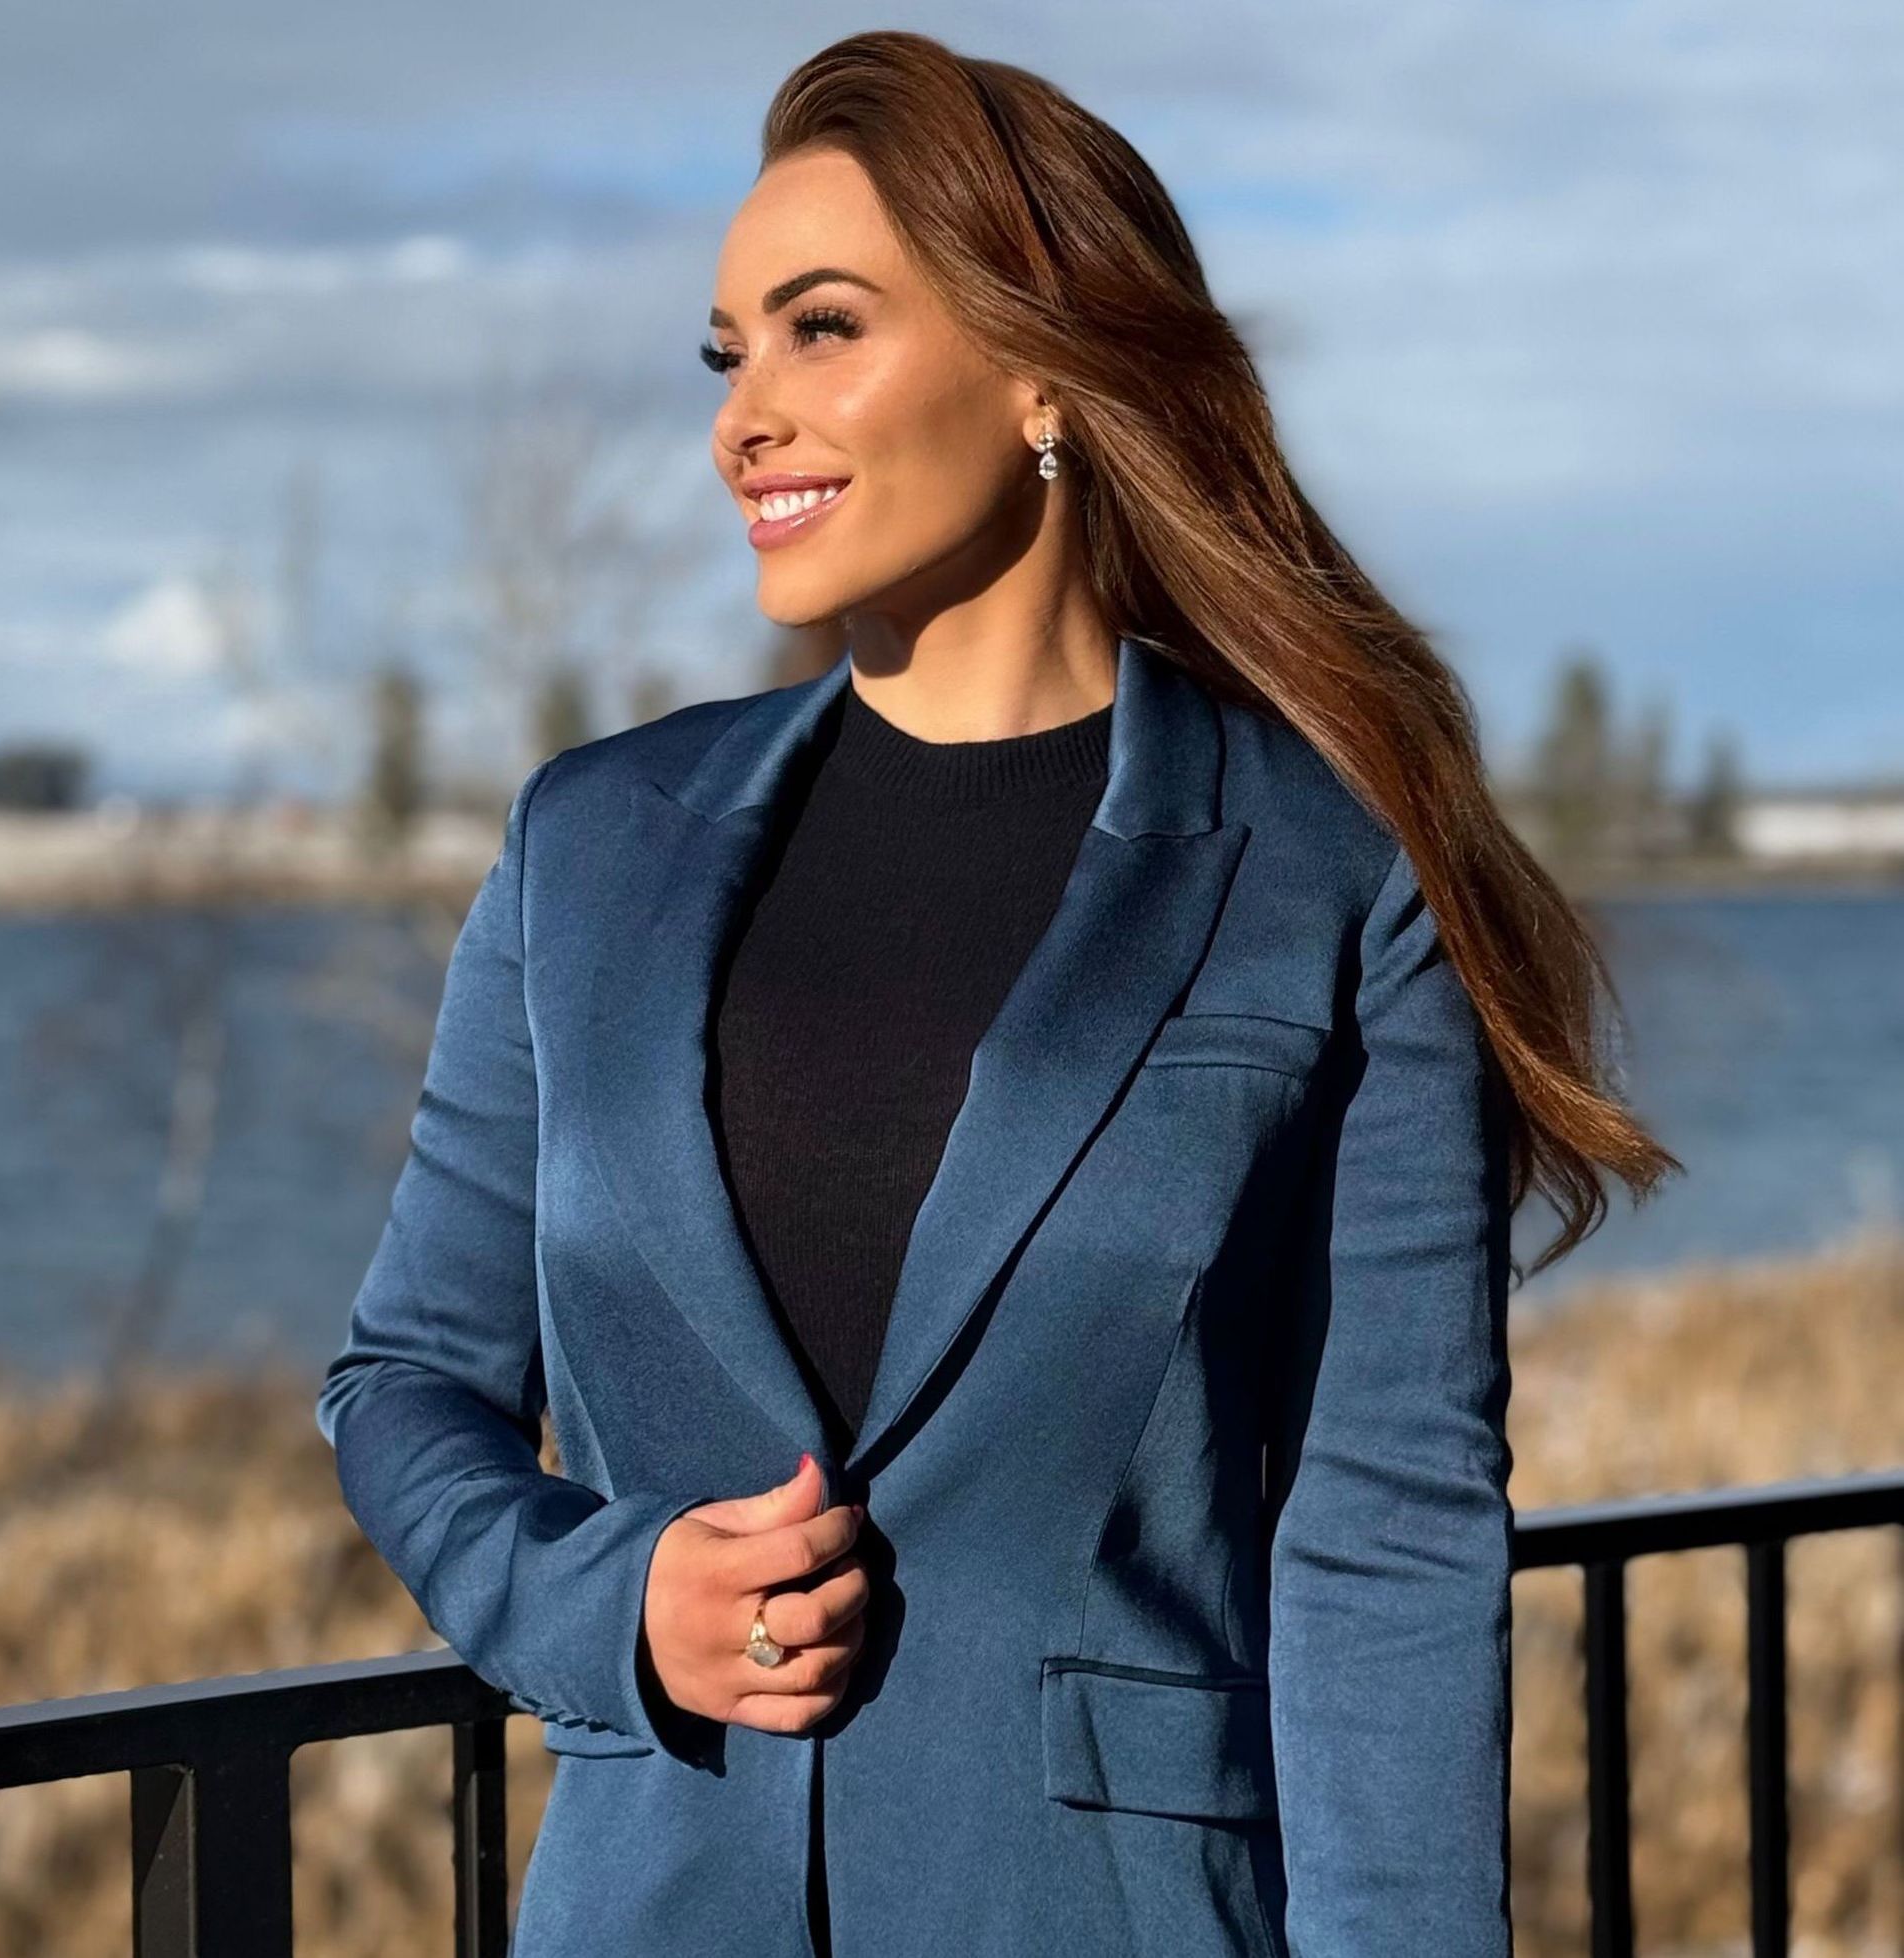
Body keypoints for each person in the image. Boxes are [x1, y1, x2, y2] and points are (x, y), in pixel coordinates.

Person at [315, 29, 1677, 1958]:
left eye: (821, 328)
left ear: (1042, 365)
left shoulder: (1319, 869)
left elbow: (1384, 1538)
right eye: (727, 353)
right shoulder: (588, 847)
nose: (744, 417)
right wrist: (603, 1603)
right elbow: (407, 1383)